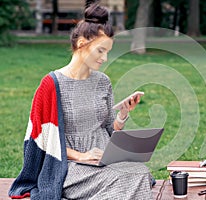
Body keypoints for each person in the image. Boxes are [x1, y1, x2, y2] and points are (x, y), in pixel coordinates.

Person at [9, 3, 153, 200]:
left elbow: (110, 128)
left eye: (108, 51)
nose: (105, 58)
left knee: (140, 172)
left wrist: (123, 114)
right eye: (100, 50)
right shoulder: (52, 84)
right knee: (126, 179)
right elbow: (39, 141)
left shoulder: (103, 81)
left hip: (105, 159)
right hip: (69, 166)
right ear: (81, 43)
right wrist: (81, 156)